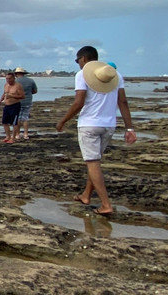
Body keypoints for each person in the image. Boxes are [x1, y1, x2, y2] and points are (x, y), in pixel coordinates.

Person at [55, 46, 137, 215]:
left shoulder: (82, 74)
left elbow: (79, 102)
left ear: (84, 59)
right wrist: (129, 128)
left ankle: (106, 204)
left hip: (89, 125)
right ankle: (86, 195)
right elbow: (123, 102)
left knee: (93, 164)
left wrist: (63, 120)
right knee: (94, 163)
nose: (78, 63)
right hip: (109, 125)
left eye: (77, 60)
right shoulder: (116, 75)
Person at [0, 72, 26, 144]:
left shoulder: (18, 86)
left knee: (14, 123)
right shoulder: (6, 85)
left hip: (15, 105)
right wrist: (0, 100)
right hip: (7, 105)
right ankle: (8, 136)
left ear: (13, 78)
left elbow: (22, 96)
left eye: (9, 78)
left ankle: (13, 138)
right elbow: (4, 93)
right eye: (7, 79)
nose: (8, 80)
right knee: (4, 122)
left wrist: (12, 96)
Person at [13, 67, 37, 140]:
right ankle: (25, 134)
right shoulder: (31, 81)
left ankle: (17, 134)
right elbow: (35, 91)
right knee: (25, 118)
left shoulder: (15, 81)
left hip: (17, 101)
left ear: (16, 74)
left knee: (17, 118)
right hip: (28, 101)